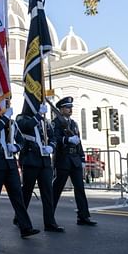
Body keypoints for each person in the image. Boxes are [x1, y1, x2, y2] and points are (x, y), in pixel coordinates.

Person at [0, 100, 40, 239]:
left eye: (8, 104)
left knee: (17, 196)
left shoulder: (12, 123)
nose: (7, 107)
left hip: (10, 164)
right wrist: (5, 117)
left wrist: (16, 147)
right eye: (4, 104)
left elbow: (21, 140)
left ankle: (25, 227)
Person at [15, 103, 64, 233]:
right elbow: (26, 127)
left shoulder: (45, 121)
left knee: (48, 193)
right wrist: (38, 116)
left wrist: (51, 147)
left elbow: (52, 137)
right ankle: (20, 217)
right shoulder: (21, 118)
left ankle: (50, 223)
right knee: (27, 191)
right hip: (30, 159)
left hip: (44, 161)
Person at [51, 97, 97, 226]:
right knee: (57, 189)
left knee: (80, 189)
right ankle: (49, 217)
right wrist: (67, 140)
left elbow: (79, 142)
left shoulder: (74, 124)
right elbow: (55, 139)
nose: (70, 109)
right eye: (67, 107)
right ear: (60, 109)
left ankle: (83, 216)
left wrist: (82, 157)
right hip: (63, 159)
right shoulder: (56, 123)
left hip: (75, 159)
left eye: (71, 107)